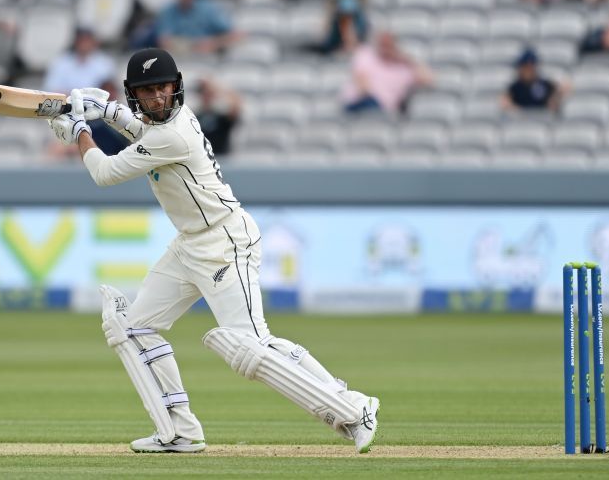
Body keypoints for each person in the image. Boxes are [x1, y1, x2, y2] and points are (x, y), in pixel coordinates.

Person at [46, 47, 380, 454]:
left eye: (162, 89)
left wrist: (82, 130)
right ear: (136, 95)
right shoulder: (163, 126)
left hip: (224, 244)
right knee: (132, 328)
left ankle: (352, 408)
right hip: (189, 245)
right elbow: (144, 132)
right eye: (147, 92)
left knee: (249, 346)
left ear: (176, 88)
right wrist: (110, 113)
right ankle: (180, 431)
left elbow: (104, 172)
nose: (156, 98)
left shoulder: (175, 132)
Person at [43, 28, 127, 158]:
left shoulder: (104, 63)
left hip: (97, 117)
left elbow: (109, 92)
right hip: (66, 113)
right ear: (76, 42)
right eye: (81, 40)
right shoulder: (62, 63)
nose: (84, 44)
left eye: (87, 40)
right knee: (57, 146)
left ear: (93, 42)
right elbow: (52, 94)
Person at [341, 31, 434, 114]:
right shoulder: (365, 54)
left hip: (383, 109)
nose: (384, 47)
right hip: (360, 102)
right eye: (382, 43)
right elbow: (362, 83)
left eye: (388, 44)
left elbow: (428, 80)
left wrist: (409, 60)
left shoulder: (404, 69)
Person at [155, 0, 243, 56]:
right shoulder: (168, 11)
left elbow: (235, 35)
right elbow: (164, 41)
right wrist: (192, 46)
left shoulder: (209, 9)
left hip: (207, 62)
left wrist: (213, 43)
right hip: (179, 60)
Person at [500, 48, 570, 113]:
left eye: (529, 67)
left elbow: (563, 88)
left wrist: (556, 98)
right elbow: (506, 103)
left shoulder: (545, 84)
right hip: (521, 122)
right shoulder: (515, 87)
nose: (527, 71)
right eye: (524, 67)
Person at [193, 77, 242, 155]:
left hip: (222, 160)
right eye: (204, 94)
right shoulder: (195, 117)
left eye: (209, 94)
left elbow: (236, 108)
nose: (207, 97)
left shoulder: (221, 117)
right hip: (202, 160)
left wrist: (219, 89)